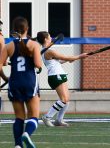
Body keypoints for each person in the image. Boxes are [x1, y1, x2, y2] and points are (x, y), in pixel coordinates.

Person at [0, 17, 42, 148]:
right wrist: (38, 65)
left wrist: (6, 78)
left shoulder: (8, 46)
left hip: (14, 82)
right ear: (27, 29)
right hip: (30, 82)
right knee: (34, 116)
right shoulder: (34, 45)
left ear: (14, 30)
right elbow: (38, 65)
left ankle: (18, 145)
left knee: (19, 117)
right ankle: (27, 134)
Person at [36, 31, 88, 127]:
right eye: (49, 36)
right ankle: (47, 117)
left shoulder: (46, 50)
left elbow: (59, 61)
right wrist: (80, 56)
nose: (51, 37)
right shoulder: (49, 51)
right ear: (45, 39)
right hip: (56, 75)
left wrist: (71, 59)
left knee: (66, 99)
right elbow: (66, 57)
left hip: (58, 74)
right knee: (64, 99)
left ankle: (59, 120)